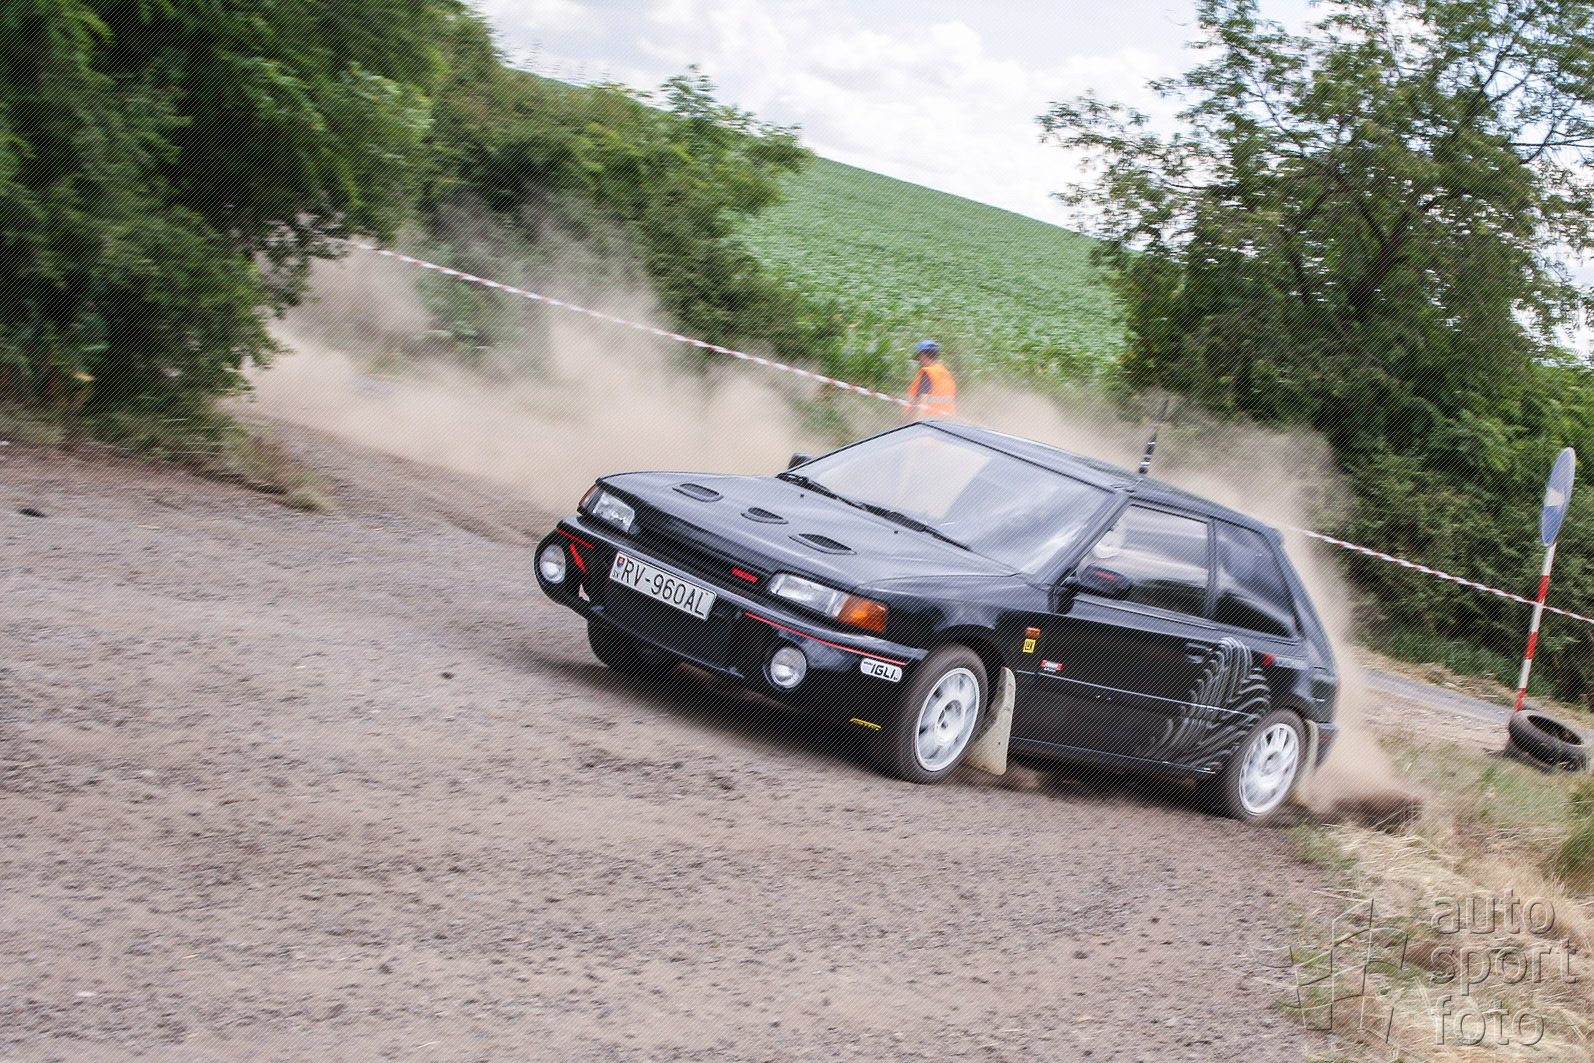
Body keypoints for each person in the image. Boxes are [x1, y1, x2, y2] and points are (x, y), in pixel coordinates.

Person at [904, 340, 956, 420]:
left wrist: (918, 423)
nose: (918, 361)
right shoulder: (946, 373)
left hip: (927, 422)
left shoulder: (928, 372)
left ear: (922, 355)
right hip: (946, 423)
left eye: (918, 358)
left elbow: (922, 401)